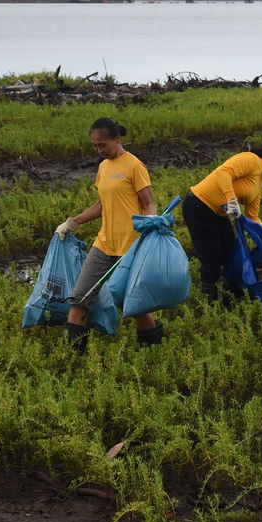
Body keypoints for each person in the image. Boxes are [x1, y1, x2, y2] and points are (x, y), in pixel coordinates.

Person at [54, 117, 164, 350]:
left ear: (117, 138)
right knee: (80, 297)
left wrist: (150, 222)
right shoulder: (103, 167)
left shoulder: (135, 166)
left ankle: (153, 349)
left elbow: (148, 204)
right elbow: (101, 205)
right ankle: (70, 359)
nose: (98, 150)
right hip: (104, 243)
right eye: (94, 145)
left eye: (102, 145)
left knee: (132, 303)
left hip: (130, 246)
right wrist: (72, 223)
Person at [181, 140, 262, 304]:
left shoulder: (259, 183)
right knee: (212, 259)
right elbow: (223, 172)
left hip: (218, 213)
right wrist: (231, 200)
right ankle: (209, 304)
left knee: (231, 254)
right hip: (199, 206)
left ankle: (229, 298)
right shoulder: (252, 160)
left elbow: (253, 216)